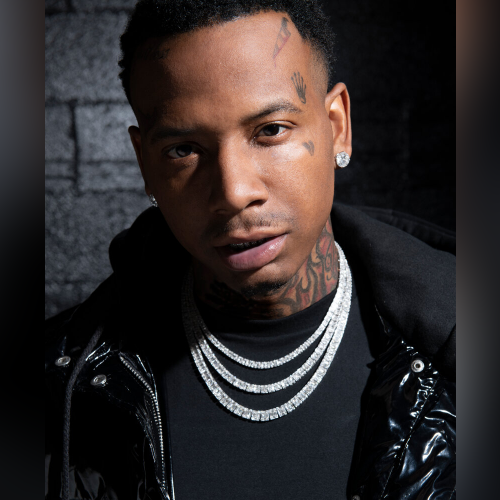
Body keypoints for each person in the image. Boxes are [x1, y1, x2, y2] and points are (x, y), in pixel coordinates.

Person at [45, 1, 456, 499]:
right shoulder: (58, 382)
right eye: (184, 150)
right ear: (145, 164)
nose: (234, 192)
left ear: (337, 127)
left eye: (270, 130)